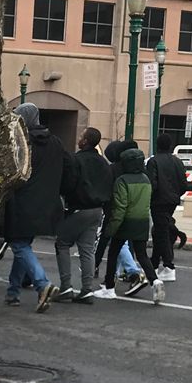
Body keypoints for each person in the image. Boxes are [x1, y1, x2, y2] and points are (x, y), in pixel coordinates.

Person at [2, 103, 65, 309]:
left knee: (18, 244)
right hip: (47, 202)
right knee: (24, 245)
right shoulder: (55, 142)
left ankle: (42, 283)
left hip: (22, 201)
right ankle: (13, 291)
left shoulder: (22, 142)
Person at [102, 145, 164, 304]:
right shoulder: (146, 179)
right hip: (143, 220)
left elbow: (121, 207)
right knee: (142, 255)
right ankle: (155, 281)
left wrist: (111, 227)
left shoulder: (122, 180)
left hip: (125, 221)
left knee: (113, 252)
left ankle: (109, 287)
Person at [55, 126, 111, 303]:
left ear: (85, 141)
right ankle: (87, 289)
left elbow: (68, 184)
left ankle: (66, 286)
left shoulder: (76, 160)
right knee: (87, 250)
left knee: (62, 243)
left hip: (79, 208)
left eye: (81, 136)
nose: (79, 138)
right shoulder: (103, 162)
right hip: (97, 209)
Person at [146, 135, 187, 283]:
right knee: (160, 230)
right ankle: (154, 264)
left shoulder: (153, 161)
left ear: (157, 145)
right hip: (172, 201)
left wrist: (151, 198)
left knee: (161, 232)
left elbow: (152, 183)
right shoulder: (177, 161)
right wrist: (175, 194)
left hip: (158, 201)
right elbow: (184, 184)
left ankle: (169, 266)